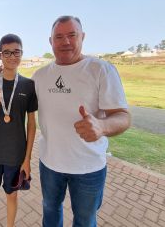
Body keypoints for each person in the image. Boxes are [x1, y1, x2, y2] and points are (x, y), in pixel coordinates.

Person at [32, 16, 131, 227]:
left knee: (85, 220)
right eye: (59, 36)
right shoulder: (39, 76)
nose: (65, 41)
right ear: (50, 41)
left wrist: (102, 126)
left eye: (71, 35)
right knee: (50, 210)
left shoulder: (101, 70)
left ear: (82, 37)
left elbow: (123, 116)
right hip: (49, 163)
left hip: (89, 167)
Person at [0, 34, 38, 227]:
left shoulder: (29, 85)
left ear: (22, 53)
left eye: (16, 52)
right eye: (7, 52)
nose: (12, 56)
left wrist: (27, 159)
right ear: (0, 55)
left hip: (16, 154)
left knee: (12, 196)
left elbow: (31, 124)